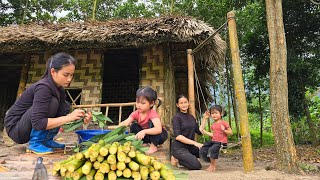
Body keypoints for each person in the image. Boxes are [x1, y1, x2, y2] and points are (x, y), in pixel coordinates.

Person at [4, 52, 92, 154]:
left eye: (71, 75)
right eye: (66, 75)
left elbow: (63, 115)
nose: (69, 79)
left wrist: (81, 118)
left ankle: (47, 140)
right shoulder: (43, 87)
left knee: (65, 106)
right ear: (53, 72)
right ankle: (35, 143)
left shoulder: (60, 90)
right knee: (53, 102)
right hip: (16, 129)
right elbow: (38, 123)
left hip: (28, 124)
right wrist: (69, 117)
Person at [119, 86, 168, 154]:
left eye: (143, 103)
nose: (139, 105)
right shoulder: (136, 113)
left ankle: (153, 146)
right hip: (147, 136)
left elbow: (158, 129)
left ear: (151, 103)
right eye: (137, 102)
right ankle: (143, 143)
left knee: (153, 125)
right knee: (133, 126)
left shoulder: (152, 114)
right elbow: (126, 122)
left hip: (159, 136)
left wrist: (144, 131)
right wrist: (118, 128)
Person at [170, 95, 203, 170]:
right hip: (179, 148)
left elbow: (199, 131)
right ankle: (177, 159)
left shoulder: (191, 117)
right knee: (196, 166)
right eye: (181, 103)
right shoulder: (176, 117)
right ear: (177, 105)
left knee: (208, 152)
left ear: (188, 103)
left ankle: (187, 157)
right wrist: (195, 143)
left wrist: (204, 118)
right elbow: (178, 136)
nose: (184, 105)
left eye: (185, 102)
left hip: (190, 147)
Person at [199, 105, 233, 172]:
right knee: (204, 147)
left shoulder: (224, 123)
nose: (214, 115)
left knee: (212, 149)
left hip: (222, 143)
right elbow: (214, 135)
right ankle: (210, 162)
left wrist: (224, 130)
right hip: (214, 141)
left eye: (216, 113)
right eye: (212, 113)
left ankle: (213, 166)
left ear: (221, 114)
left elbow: (231, 133)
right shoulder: (213, 125)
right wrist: (205, 132)